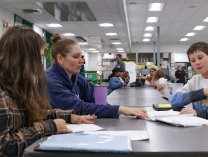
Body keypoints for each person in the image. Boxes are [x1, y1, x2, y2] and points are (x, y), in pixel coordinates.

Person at [0, 25, 97, 156]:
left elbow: (31, 113)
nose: (39, 66)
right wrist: (49, 126)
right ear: (23, 59)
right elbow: (5, 146)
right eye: (38, 59)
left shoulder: (16, 86)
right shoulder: (2, 93)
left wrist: (68, 116)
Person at [46, 33, 148, 119]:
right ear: (60, 59)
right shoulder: (50, 82)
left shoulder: (79, 79)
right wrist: (119, 110)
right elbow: (78, 108)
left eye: (81, 56)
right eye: (75, 57)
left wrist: (118, 110)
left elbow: (96, 102)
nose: (81, 61)